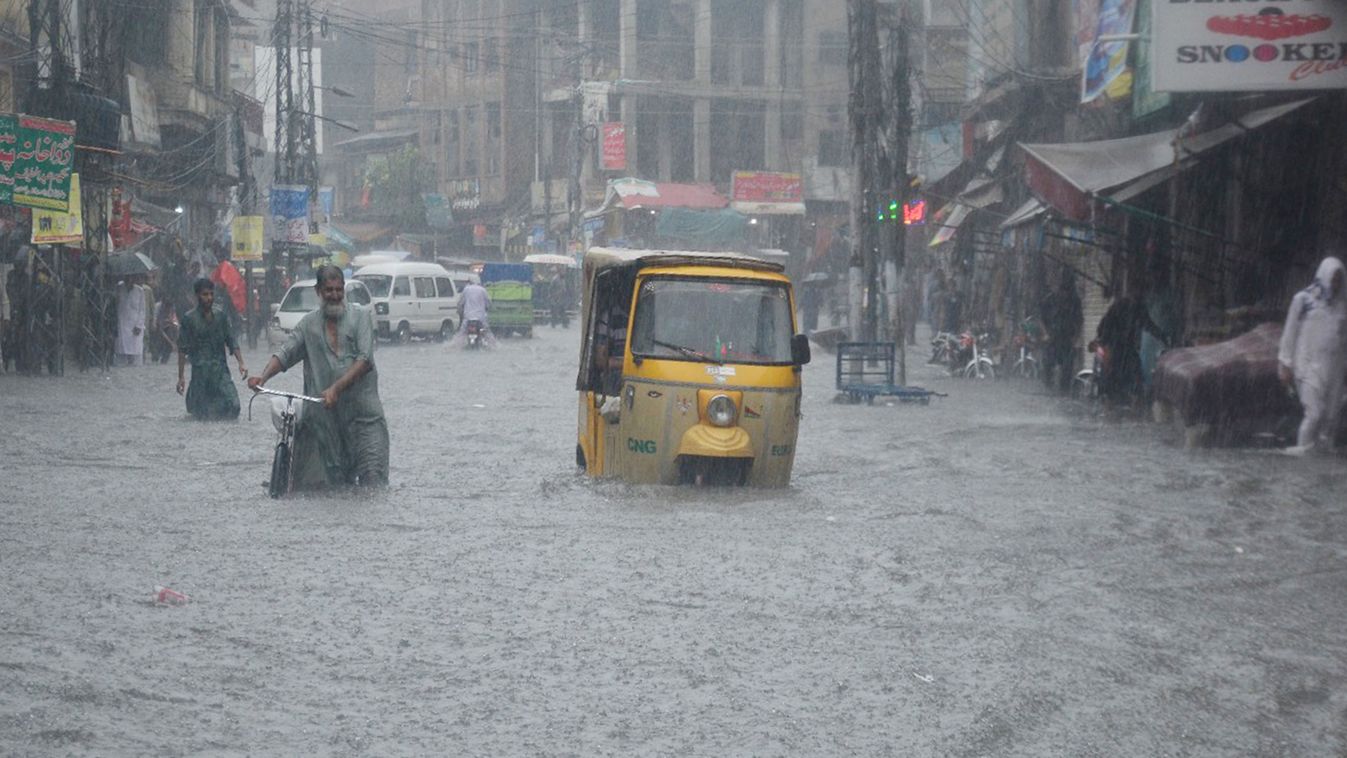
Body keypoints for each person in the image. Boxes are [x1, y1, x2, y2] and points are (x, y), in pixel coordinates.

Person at [248, 266, 390, 488]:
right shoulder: (308, 325)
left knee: (373, 485)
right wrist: (263, 378)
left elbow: (365, 361)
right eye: (328, 290)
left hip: (364, 419)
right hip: (327, 421)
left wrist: (335, 389)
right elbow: (286, 353)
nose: (334, 295)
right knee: (325, 488)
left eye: (338, 290)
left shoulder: (361, 318)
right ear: (318, 291)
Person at [1278, 256, 1347, 452]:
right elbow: (1289, 332)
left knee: (1331, 417)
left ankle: (1323, 454)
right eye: (1333, 278)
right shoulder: (1303, 300)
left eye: (1339, 280)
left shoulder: (1343, 306)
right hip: (1308, 365)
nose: (1335, 284)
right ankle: (1302, 452)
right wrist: (1285, 363)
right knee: (1314, 414)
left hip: (1334, 368)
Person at [177, 278, 246, 419]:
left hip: (220, 372)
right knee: (201, 414)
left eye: (211, 294)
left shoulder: (221, 316)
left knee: (234, 406)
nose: (209, 298)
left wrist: (241, 363)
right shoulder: (189, 319)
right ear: (197, 296)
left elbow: (231, 341)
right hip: (200, 375)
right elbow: (182, 349)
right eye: (205, 295)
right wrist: (181, 377)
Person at [1040, 271, 1083, 394]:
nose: (1063, 293)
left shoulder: (1075, 301)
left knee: (1067, 367)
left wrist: (1076, 338)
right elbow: (1042, 319)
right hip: (1053, 337)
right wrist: (1046, 334)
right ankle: (1049, 385)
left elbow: (1079, 321)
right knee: (1048, 362)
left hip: (1067, 339)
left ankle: (1064, 390)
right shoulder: (1049, 300)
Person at [453, 279, 496, 347]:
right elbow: (488, 302)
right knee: (487, 332)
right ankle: (493, 346)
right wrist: (489, 308)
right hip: (480, 318)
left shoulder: (466, 289)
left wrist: (459, 310)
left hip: (468, 317)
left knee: (461, 333)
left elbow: (460, 302)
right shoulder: (483, 290)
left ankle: (454, 346)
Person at [115, 276, 147, 365]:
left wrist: (139, 325)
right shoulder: (119, 288)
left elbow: (142, 310)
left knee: (135, 349)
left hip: (135, 324)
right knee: (121, 350)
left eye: (132, 278)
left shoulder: (140, 291)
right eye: (127, 278)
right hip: (122, 322)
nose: (130, 280)